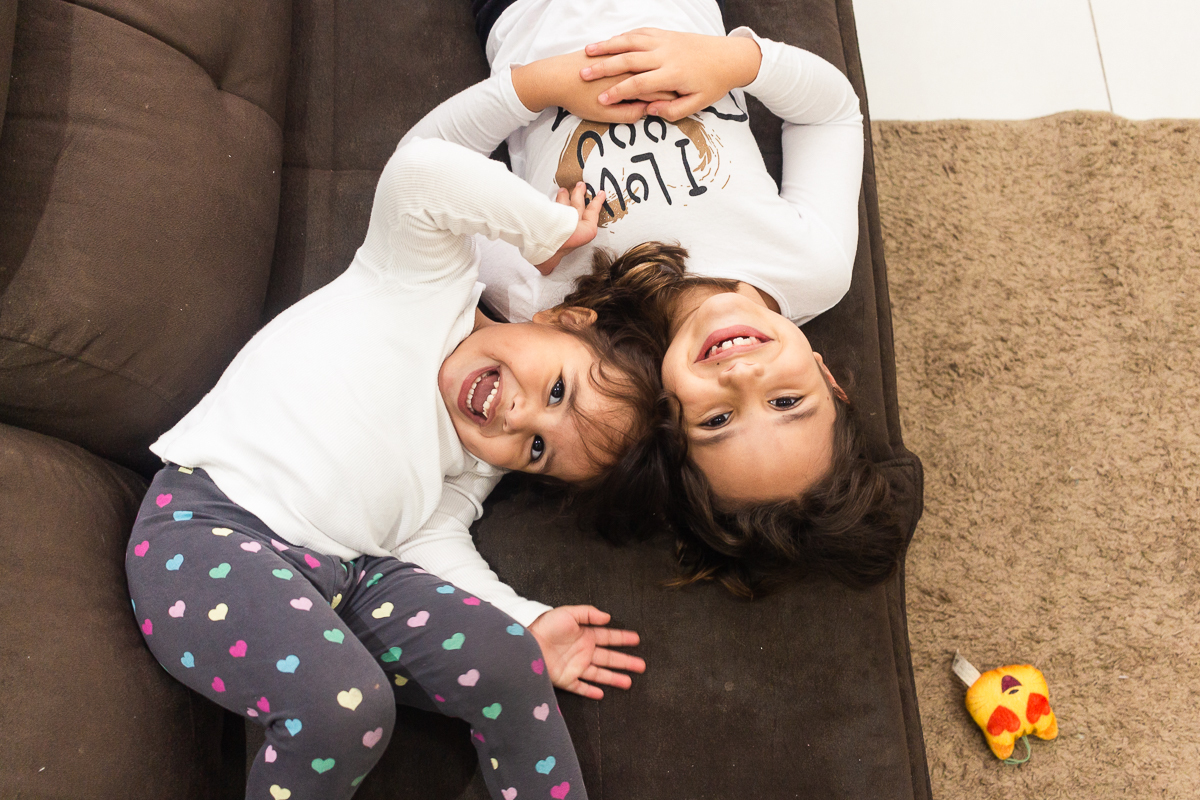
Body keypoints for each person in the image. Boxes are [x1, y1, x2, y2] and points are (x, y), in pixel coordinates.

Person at [125, 137, 650, 800]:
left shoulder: (472, 462)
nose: (519, 420)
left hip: (353, 580)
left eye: (539, 451)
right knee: (347, 710)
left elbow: (431, 544)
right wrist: (546, 229)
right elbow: (422, 169)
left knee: (512, 663)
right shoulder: (424, 281)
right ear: (562, 319)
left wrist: (523, 619)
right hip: (210, 530)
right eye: (557, 392)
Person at [401, 1, 907, 594]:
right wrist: (738, 62)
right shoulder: (813, 267)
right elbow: (833, 116)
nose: (743, 376)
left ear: (663, 424)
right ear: (828, 378)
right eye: (788, 399)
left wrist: (520, 199)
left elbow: (422, 179)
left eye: (718, 419)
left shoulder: (556, 309)